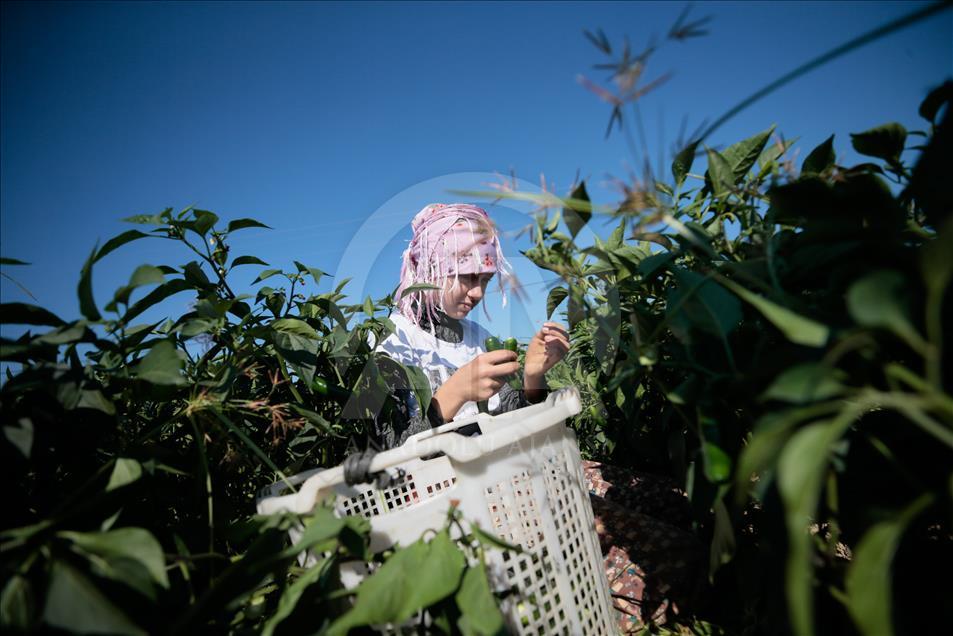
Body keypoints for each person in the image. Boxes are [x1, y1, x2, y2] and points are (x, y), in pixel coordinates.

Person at [369, 202, 700, 631]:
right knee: (670, 551)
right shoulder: (382, 347)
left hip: (515, 472)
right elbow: (376, 464)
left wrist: (532, 377)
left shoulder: (475, 338)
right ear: (430, 267)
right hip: (463, 501)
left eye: (485, 280)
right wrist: (447, 398)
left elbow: (505, 414)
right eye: (467, 277)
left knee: (675, 502)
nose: (477, 293)